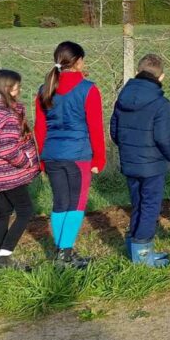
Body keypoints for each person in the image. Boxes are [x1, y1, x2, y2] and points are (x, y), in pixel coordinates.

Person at [34, 41, 106, 269]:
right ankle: (63, 255)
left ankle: (62, 251)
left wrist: (42, 159)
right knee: (76, 204)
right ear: (78, 62)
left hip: (52, 154)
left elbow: (39, 128)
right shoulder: (88, 89)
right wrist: (99, 158)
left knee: (60, 203)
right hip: (78, 156)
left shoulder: (44, 89)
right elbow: (95, 127)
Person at [110, 54, 170, 267]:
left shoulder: (122, 98)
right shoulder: (160, 103)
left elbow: (114, 131)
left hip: (130, 161)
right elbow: (163, 137)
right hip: (153, 164)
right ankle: (142, 254)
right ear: (162, 77)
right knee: (150, 206)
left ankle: (133, 246)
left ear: (138, 71)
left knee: (138, 203)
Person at [0, 69, 39, 270]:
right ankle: (5, 255)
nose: (19, 90)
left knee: (3, 211)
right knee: (25, 211)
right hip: (11, 174)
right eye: (17, 87)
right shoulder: (8, 116)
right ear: (8, 89)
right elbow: (8, 149)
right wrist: (28, 161)